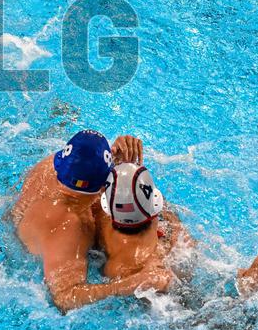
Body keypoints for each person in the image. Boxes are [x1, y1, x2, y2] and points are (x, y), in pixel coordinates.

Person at [10, 130, 173, 313]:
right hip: (37, 257)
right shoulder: (68, 226)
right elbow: (64, 299)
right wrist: (132, 284)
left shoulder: (54, 165)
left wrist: (115, 157)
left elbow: (86, 163)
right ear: (102, 187)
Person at [94, 136, 258, 298]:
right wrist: (246, 291)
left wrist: (117, 165)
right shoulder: (160, 265)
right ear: (155, 206)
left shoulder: (100, 223)